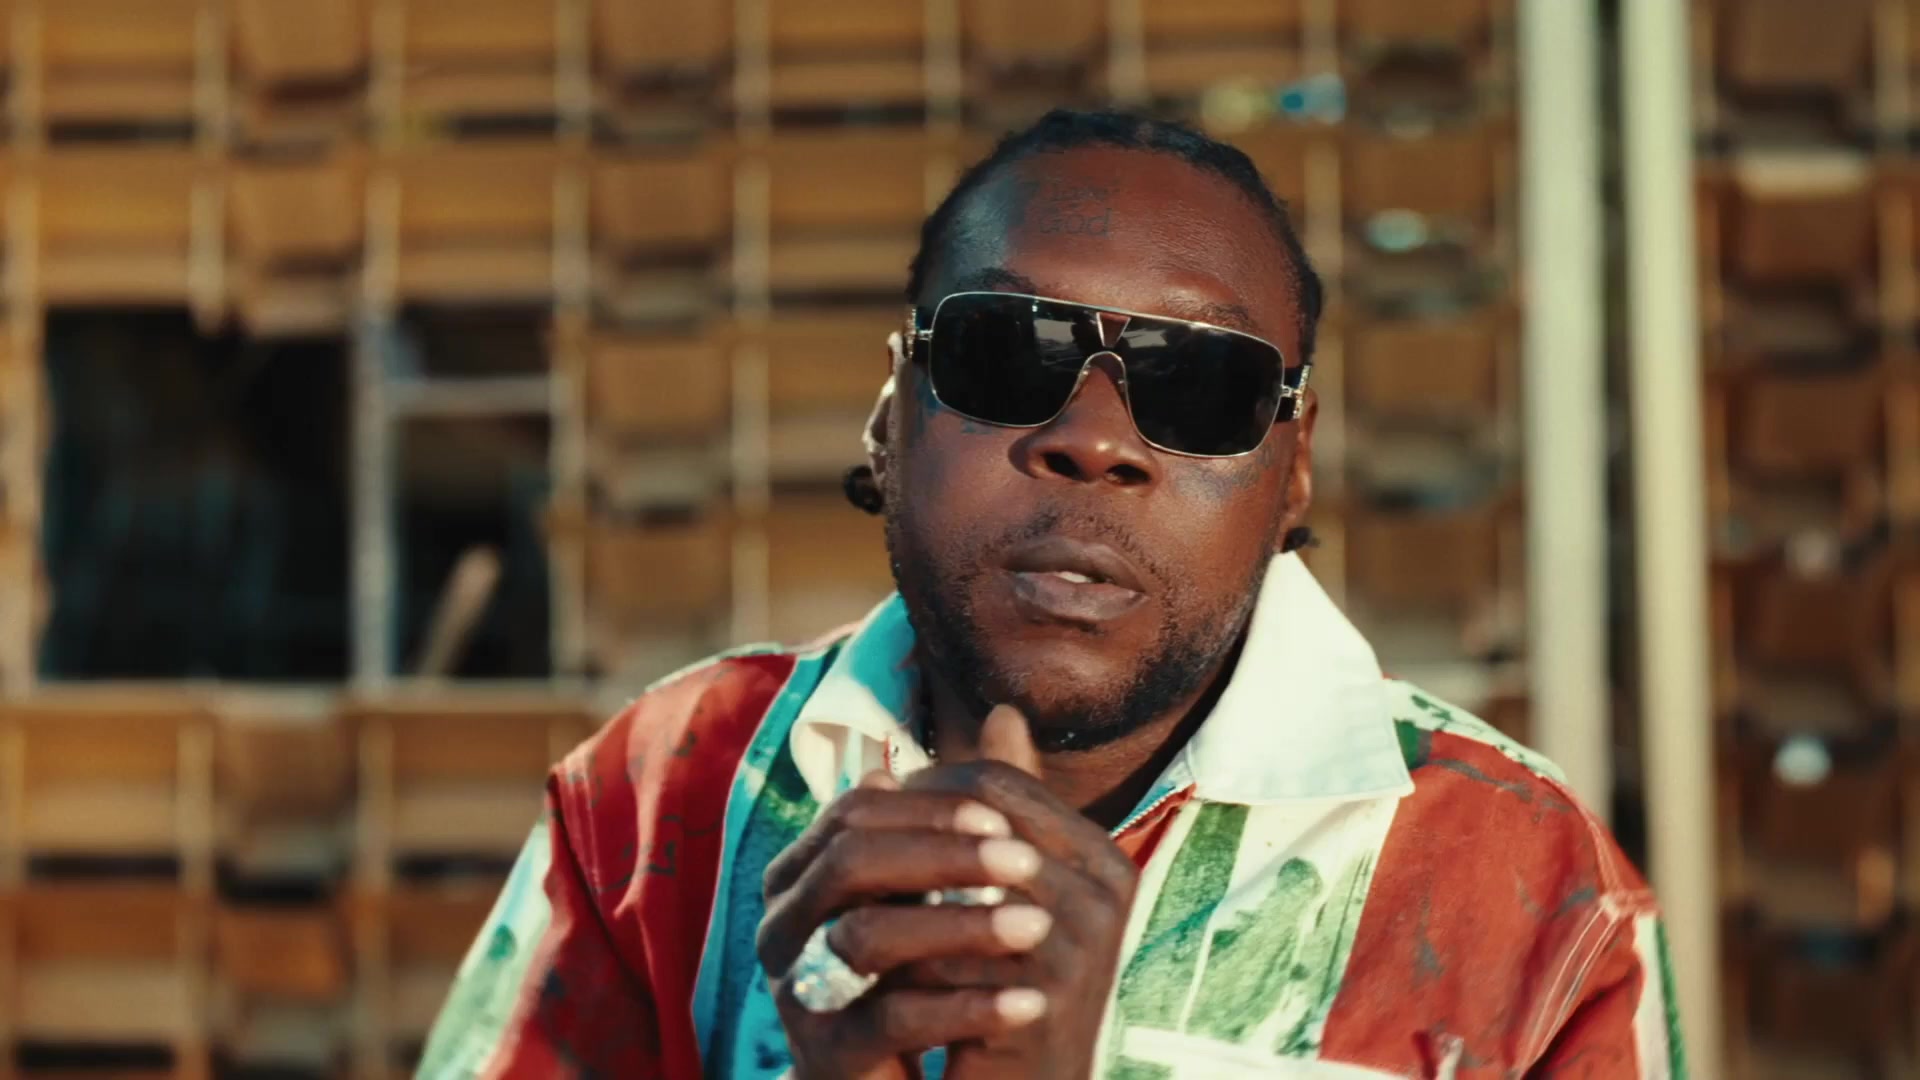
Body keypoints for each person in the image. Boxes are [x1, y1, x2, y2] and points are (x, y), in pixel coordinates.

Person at [420, 109, 1684, 1080]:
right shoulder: (665, 797)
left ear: (1294, 466)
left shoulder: (1531, 892)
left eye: (1200, 384)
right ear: (890, 419)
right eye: (1006, 350)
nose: (1094, 438)